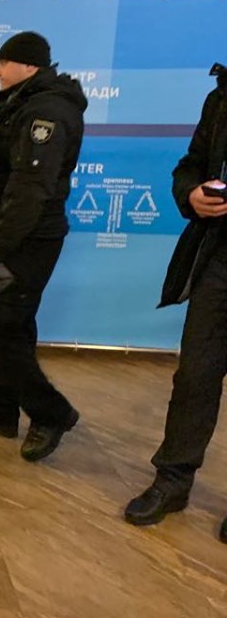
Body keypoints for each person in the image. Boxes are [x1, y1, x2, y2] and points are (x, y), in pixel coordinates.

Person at [0, 31, 87, 462]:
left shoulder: (47, 112)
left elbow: (30, 189)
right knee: (11, 325)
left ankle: (52, 413)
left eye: (3, 63)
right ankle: (1, 406)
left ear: (28, 66)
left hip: (25, 242)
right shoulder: (23, 105)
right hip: (9, 235)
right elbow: (1, 163)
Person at [125, 64, 227, 536]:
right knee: (195, 375)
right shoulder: (221, 96)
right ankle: (172, 480)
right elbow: (191, 163)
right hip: (218, 257)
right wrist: (191, 194)